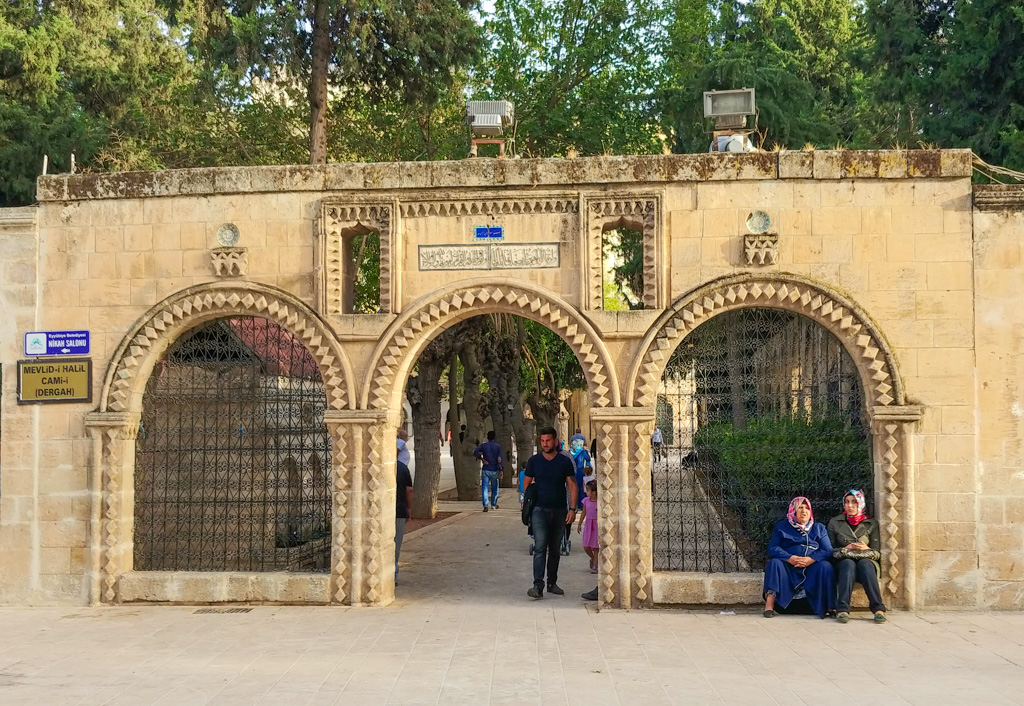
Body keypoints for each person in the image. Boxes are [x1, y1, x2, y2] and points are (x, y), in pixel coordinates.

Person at [523, 426, 578, 599]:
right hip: (539, 510)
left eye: (548, 441)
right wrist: (529, 500)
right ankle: (537, 585)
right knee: (540, 547)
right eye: (542, 441)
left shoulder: (564, 461)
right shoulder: (534, 461)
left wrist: (572, 509)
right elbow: (526, 484)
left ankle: (552, 583)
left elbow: (572, 485)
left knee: (555, 549)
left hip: (560, 510)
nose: (545, 444)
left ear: (555, 441)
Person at [763, 496, 835, 619]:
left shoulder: (818, 528)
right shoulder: (782, 527)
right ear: (793, 511)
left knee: (826, 566)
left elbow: (827, 550)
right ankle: (769, 605)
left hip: (811, 568)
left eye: (807, 508)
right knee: (774, 563)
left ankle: (829, 606)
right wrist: (789, 558)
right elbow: (773, 548)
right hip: (789, 567)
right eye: (800, 508)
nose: (804, 511)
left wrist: (811, 559)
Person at [827, 489, 887, 624]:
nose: (850, 505)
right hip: (844, 563)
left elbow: (877, 553)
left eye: (854, 502)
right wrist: (846, 549)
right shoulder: (835, 523)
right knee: (848, 564)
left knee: (865, 564)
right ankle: (842, 609)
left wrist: (866, 549)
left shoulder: (871, 524)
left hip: (865, 562)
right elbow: (830, 551)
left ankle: (878, 609)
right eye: (847, 502)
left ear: (861, 504)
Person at [473, 431, 505, 512]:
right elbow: (499, 459)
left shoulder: (484, 445)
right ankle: (493, 504)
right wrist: (501, 469)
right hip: (494, 469)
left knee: (485, 488)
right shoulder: (498, 447)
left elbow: (475, 451)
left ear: (487, 437)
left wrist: (482, 459)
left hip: (486, 469)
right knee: (495, 488)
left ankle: (485, 505)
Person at [395, 459, 413, 585]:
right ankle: (393, 574)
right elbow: (409, 490)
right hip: (399, 510)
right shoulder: (402, 468)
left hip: (382, 510)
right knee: (396, 543)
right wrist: (409, 508)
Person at [577, 480, 599, 573]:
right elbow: (583, 513)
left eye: (588, 490)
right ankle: (594, 559)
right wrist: (579, 523)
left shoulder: (599, 502)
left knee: (596, 547)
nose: (586, 492)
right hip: (588, 525)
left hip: (597, 525)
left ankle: (595, 565)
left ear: (593, 492)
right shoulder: (586, 501)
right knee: (586, 545)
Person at [569, 434, 592, 510]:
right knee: (580, 488)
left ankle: (573, 505)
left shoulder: (570, 452)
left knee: (572, 488)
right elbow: (588, 458)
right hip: (579, 471)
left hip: (571, 472)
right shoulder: (582, 452)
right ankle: (580, 505)